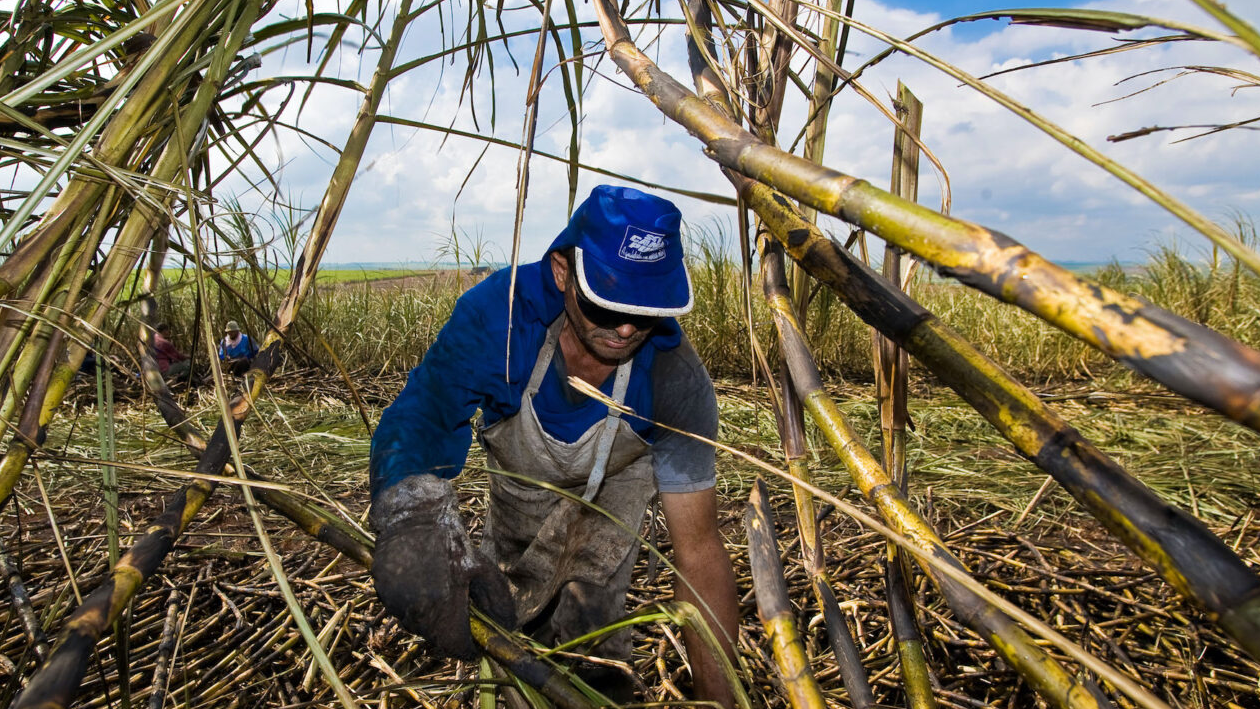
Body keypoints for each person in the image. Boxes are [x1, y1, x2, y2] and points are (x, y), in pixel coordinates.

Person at [370, 185, 739, 706]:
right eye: (607, 305)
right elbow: (427, 409)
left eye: (646, 308)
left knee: (593, 635)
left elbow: (698, 551)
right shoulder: (500, 318)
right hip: (521, 496)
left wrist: (720, 701)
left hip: (612, 501)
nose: (628, 327)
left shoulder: (674, 377)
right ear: (564, 272)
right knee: (511, 632)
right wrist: (410, 512)